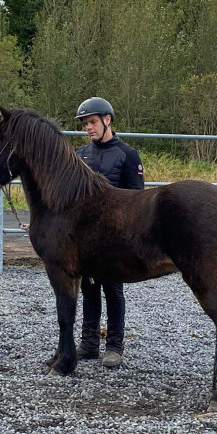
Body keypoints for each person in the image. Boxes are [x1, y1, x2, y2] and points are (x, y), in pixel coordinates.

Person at [73, 97, 144, 367]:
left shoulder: (128, 155)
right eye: (85, 124)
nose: (88, 128)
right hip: (86, 238)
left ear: (107, 120)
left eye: (92, 122)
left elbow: (137, 200)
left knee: (113, 290)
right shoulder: (80, 155)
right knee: (89, 290)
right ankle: (89, 343)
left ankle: (114, 345)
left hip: (115, 238)